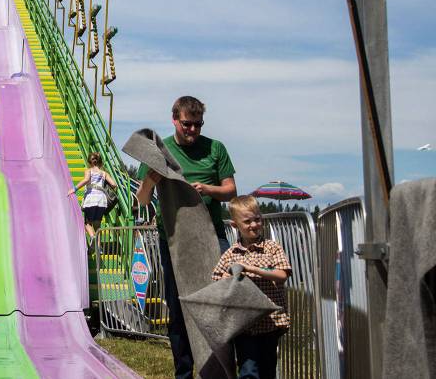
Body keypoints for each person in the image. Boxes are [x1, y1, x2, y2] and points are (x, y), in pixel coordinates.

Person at [135, 96, 236, 379]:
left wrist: (208, 189)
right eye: (187, 124)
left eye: (197, 125)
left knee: (218, 305)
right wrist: (150, 181)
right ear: (174, 120)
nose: (192, 130)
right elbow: (142, 201)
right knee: (178, 311)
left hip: (212, 238)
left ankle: (219, 370)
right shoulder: (160, 150)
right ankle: (183, 373)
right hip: (174, 242)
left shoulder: (216, 149)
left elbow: (231, 191)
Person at [212, 196, 290, 379]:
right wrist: (227, 277)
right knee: (248, 371)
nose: (254, 224)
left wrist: (254, 269)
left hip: (269, 322)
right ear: (235, 225)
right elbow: (216, 279)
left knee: (267, 369)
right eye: (247, 221)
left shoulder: (272, 248)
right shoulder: (231, 253)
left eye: (257, 219)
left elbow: (282, 275)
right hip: (243, 325)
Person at [68, 150, 118, 247]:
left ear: (89, 162)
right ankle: (98, 248)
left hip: (91, 198)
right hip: (101, 200)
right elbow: (114, 184)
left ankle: (92, 237)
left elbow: (86, 180)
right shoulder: (104, 173)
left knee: (87, 223)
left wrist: (74, 189)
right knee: (97, 225)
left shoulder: (88, 171)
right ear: (99, 162)